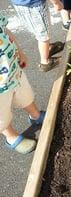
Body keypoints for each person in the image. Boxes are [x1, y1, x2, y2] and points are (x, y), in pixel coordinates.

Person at [0, 11, 45, 154]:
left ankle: (35, 115)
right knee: (2, 115)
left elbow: (4, 31)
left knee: (25, 95)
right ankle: (11, 136)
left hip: (13, 70)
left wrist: (19, 51)